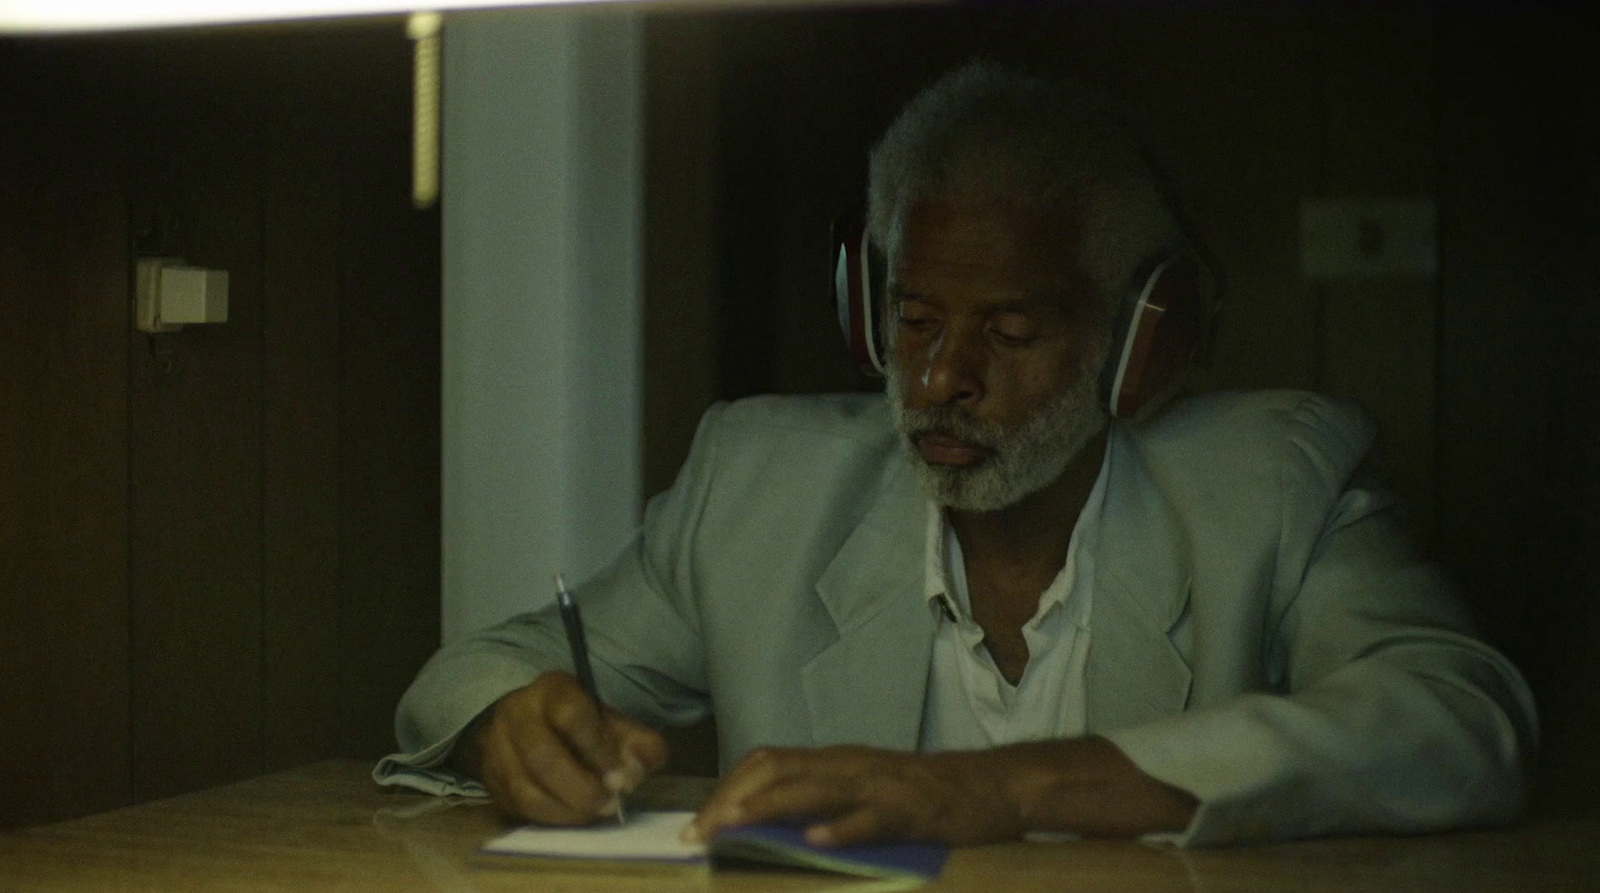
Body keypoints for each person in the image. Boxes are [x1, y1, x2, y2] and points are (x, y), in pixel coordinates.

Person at [375, 64, 1537, 847]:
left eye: (1013, 331)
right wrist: (512, 723)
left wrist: (997, 786)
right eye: (916, 320)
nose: (940, 380)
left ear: (1142, 337)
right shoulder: (756, 483)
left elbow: (1458, 717)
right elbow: (474, 667)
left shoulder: (1279, 483)